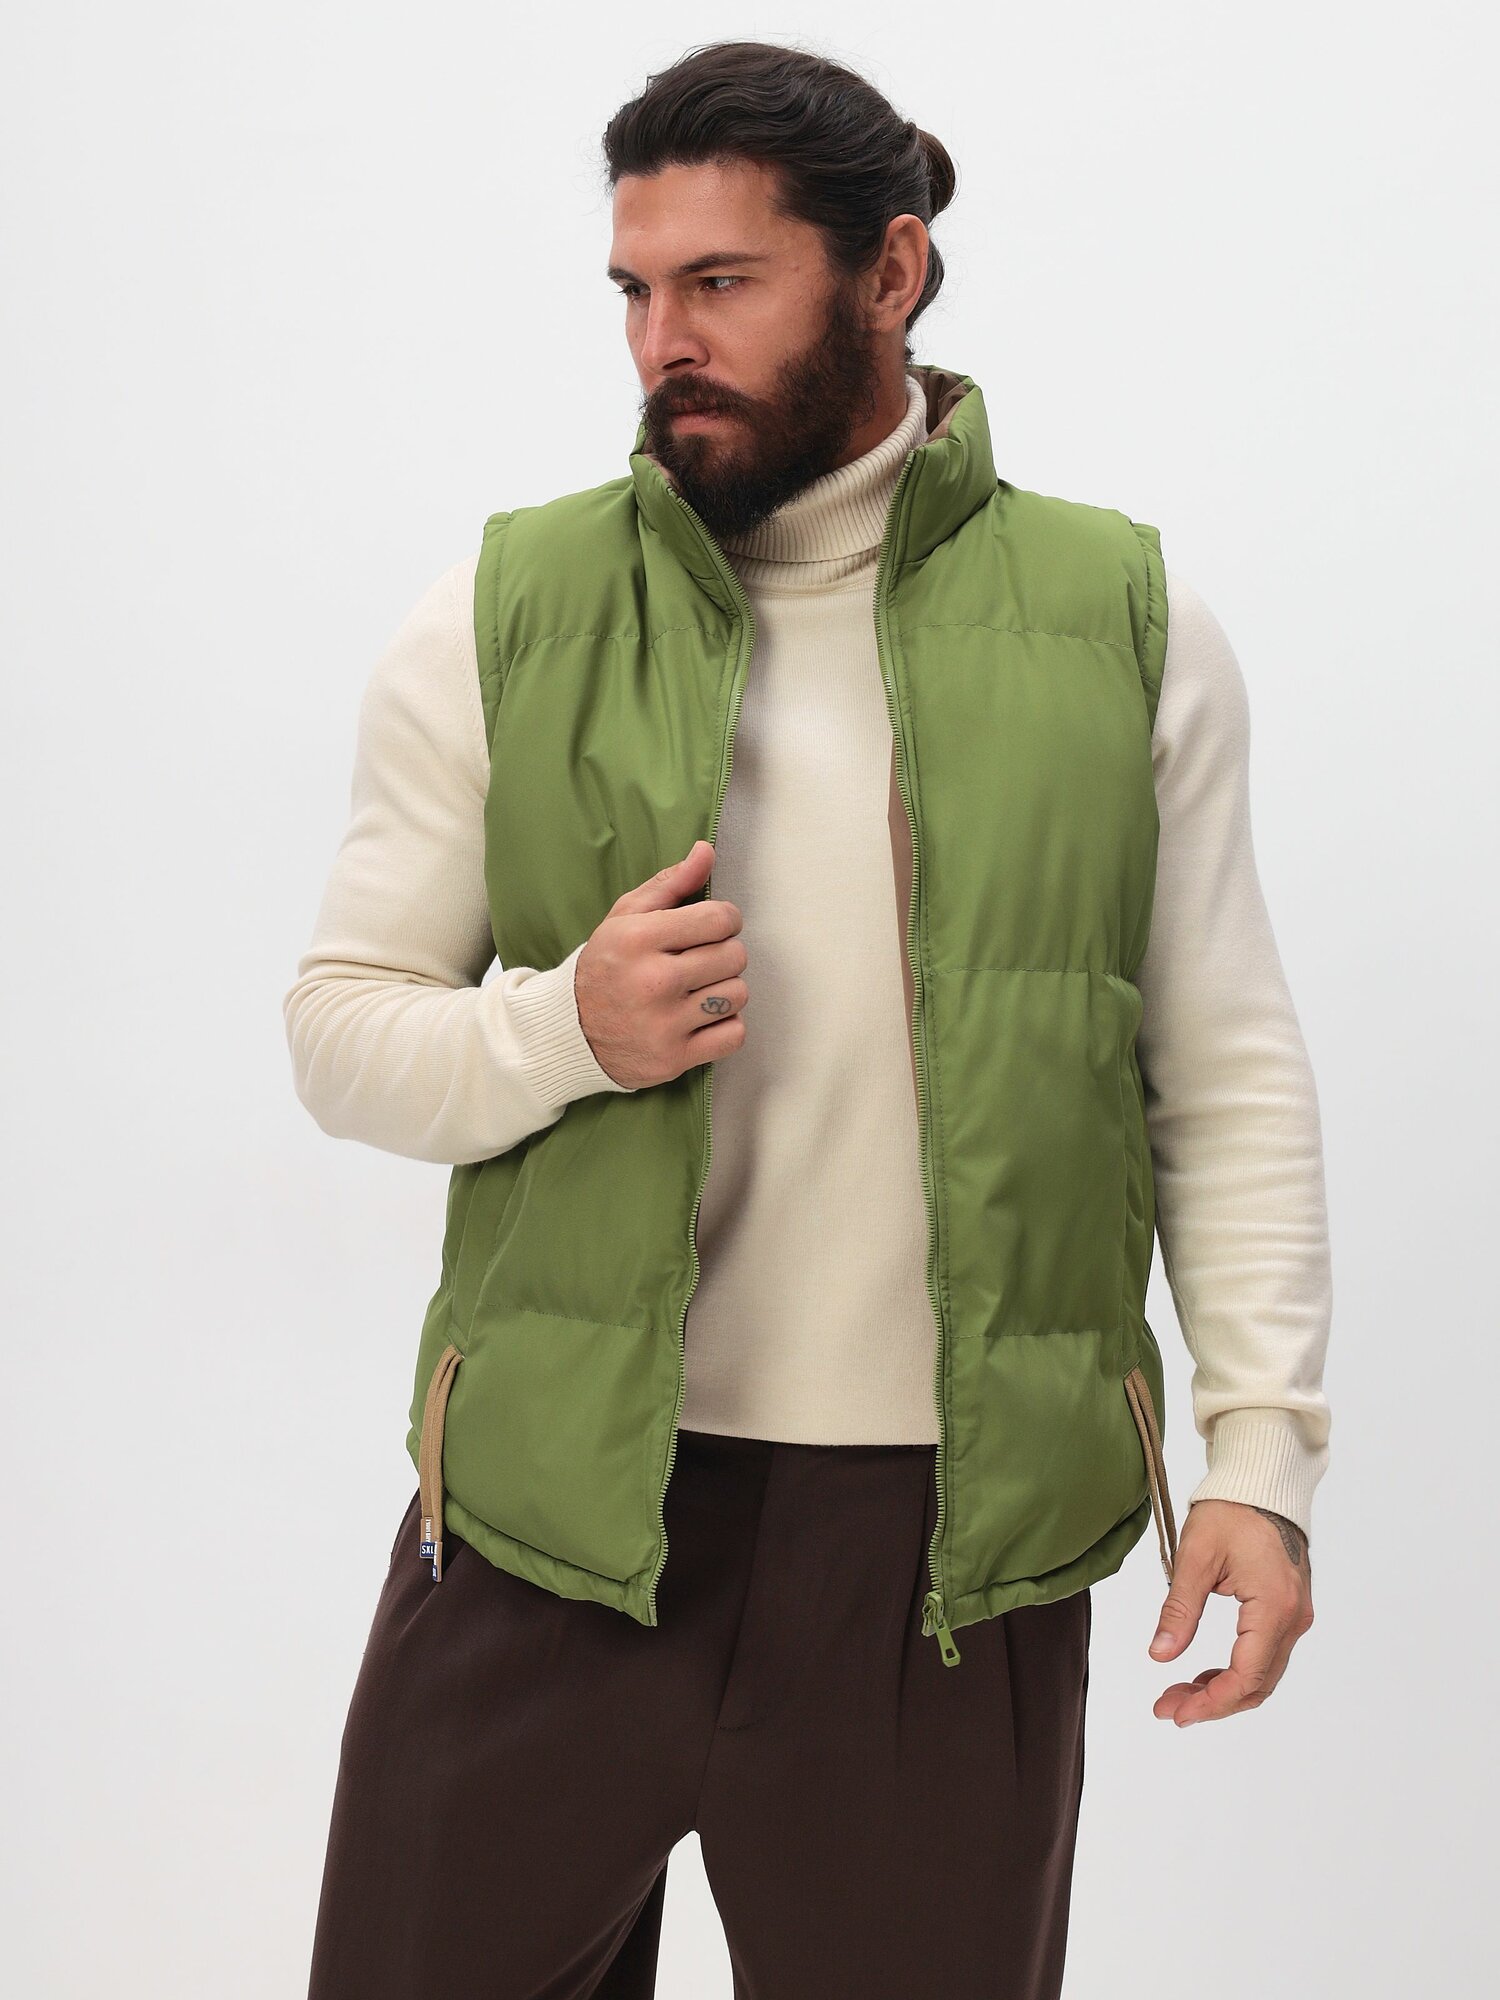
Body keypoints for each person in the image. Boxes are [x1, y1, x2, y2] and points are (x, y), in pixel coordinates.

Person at [282, 37, 1331, 2000]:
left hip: (948, 1561)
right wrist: (565, 1030)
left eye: (721, 283)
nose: (660, 341)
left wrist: (1258, 1463)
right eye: (633, 289)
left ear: (890, 272)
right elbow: (340, 1031)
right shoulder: (504, 614)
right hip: (548, 1527)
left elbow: (1225, 1072)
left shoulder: (1124, 623)